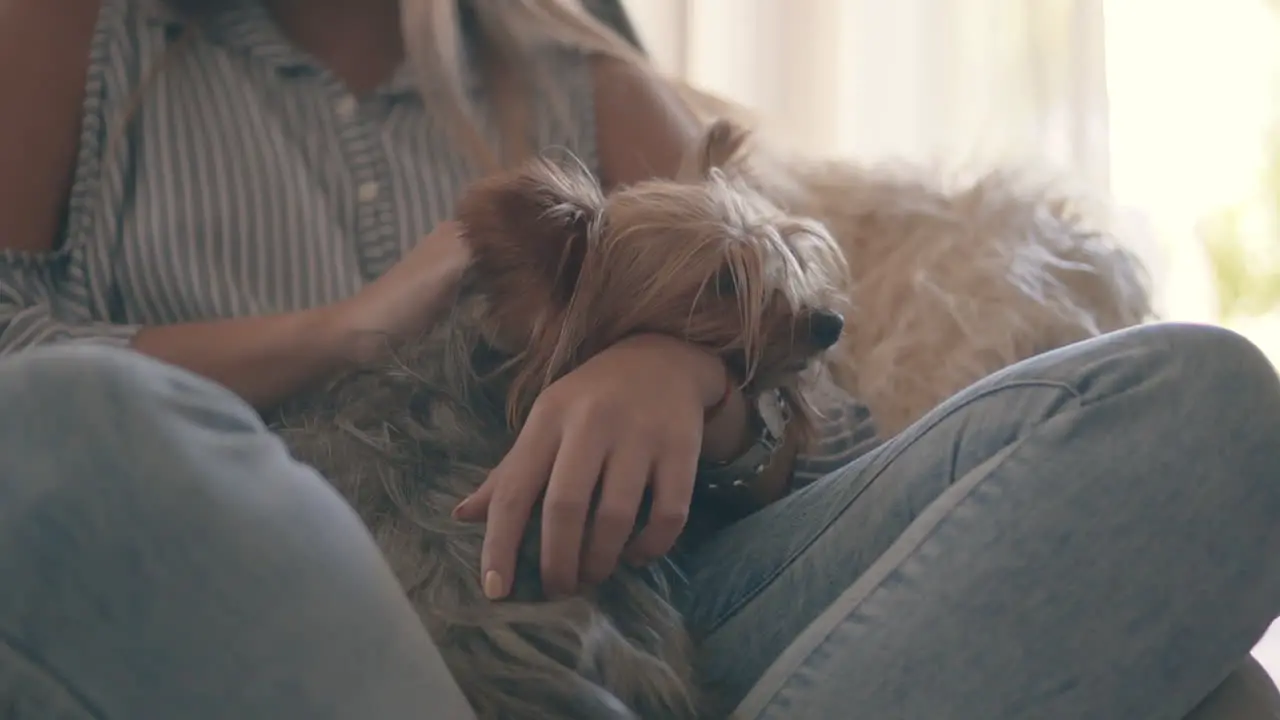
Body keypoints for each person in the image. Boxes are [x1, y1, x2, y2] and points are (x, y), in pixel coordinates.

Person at [1, 0, 1278, 717]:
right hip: (288, 617)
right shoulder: (81, 42)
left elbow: (835, 419)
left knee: (1200, 406)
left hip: (659, 593)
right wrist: (349, 330)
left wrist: (687, 374)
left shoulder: (576, 69)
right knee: (66, 413)